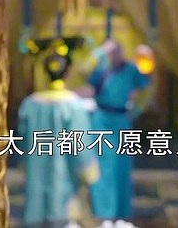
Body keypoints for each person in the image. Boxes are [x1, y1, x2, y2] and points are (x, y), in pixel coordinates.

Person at [18, 46, 100, 228]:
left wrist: (25, 164)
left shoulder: (29, 105)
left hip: (35, 182)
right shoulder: (73, 106)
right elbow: (80, 147)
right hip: (65, 185)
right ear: (68, 72)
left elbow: (22, 146)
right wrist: (89, 173)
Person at [86, 40, 153, 222]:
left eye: (115, 52)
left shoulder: (130, 69)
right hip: (101, 121)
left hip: (122, 120)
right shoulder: (101, 69)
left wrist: (137, 109)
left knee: (121, 168)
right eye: (109, 52)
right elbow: (84, 78)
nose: (112, 56)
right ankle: (102, 213)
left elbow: (146, 86)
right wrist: (96, 56)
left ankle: (121, 212)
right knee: (101, 167)